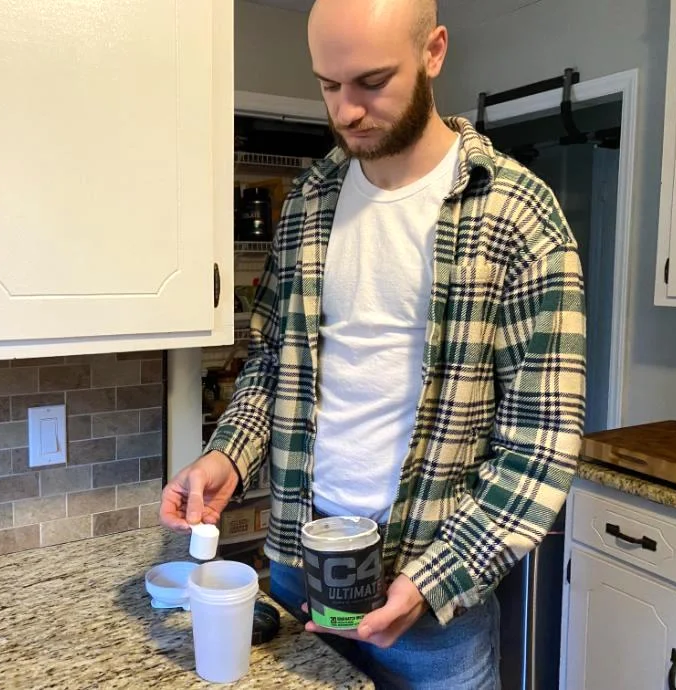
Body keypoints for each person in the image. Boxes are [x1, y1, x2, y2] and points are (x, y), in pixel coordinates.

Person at [161, 0, 586, 687]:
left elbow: (542, 443)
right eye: (328, 85)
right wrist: (227, 457)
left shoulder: (517, 214)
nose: (346, 111)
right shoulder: (310, 201)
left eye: (372, 82)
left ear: (434, 51)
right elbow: (274, 364)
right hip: (300, 571)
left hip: (431, 608)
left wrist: (430, 581)